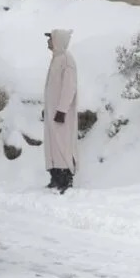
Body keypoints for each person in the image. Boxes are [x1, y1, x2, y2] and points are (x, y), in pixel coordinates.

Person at [43, 29, 78, 193]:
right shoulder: (56, 59)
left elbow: (69, 87)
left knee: (62, 144)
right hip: (53, 111)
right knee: (53, 144)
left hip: (60, 113)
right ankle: (55, 176)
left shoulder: (66, 60)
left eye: (51, 39)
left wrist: (62, 110)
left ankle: (65, 178)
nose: (48, 41)